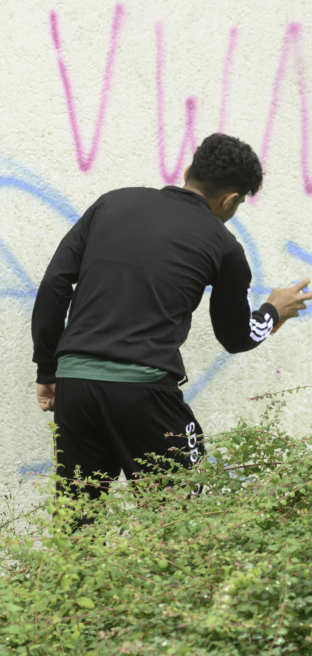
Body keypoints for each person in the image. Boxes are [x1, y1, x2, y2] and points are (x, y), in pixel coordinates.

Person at [31, 133, 312, 502]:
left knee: (78, 521)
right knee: (181, 517)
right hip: (144, 394)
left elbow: (54, 286)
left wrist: (48, 370)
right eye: (239, 202)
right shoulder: (224, 246)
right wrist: (273, 311)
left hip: (75, 386)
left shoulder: (111, 204)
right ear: (230, 200)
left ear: (188, 171)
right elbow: (236, 337)